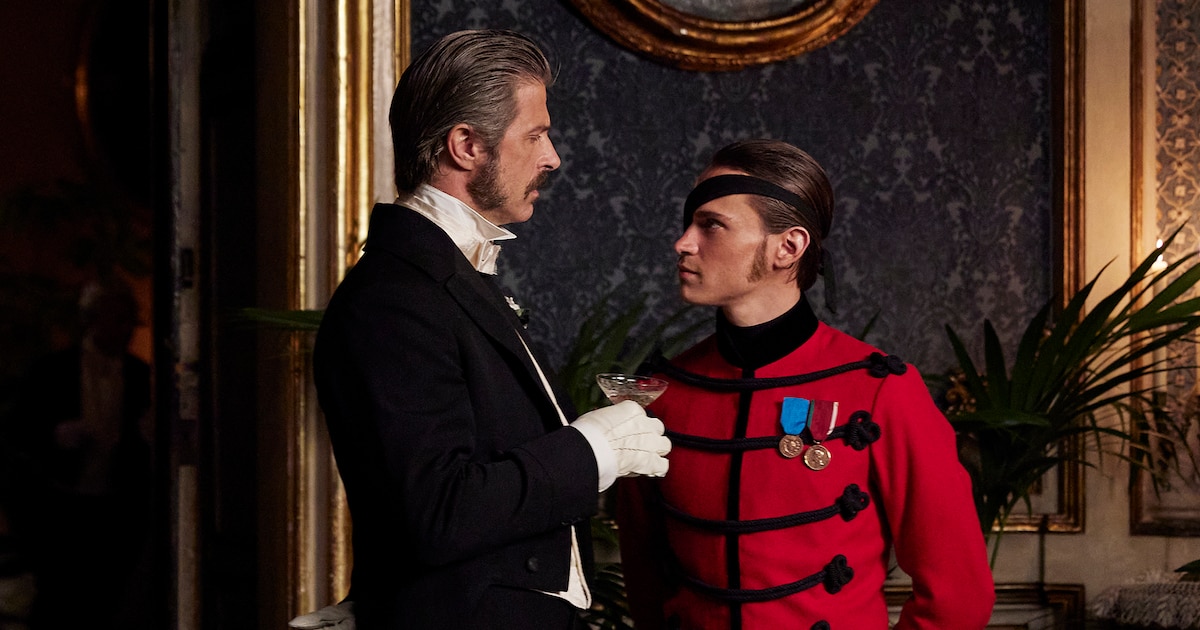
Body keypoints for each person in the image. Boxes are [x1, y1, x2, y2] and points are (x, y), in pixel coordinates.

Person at [308, 29, 670, 630]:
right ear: (467, 146)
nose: (552, 157)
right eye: (535, 135)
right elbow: (437, 511)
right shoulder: (395, 298)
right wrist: (592, 450)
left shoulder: (450, 277)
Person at [617, 139, 995, 629]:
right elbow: (646, 581)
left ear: (788, 247)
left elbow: (958, 597)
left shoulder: (881, 390)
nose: (683, 242)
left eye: (711, 225)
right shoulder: (661, 395)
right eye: (690, 223)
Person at [1, 278, 153, 630]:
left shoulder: (139, 373)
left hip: (114, 506)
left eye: (129, 320)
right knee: (58, 596)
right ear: (91, 320)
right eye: (117, 319)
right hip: (59, 502)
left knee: (104, 597)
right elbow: (17, 429)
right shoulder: (52, 369)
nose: (126, 329)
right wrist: (55, 436)